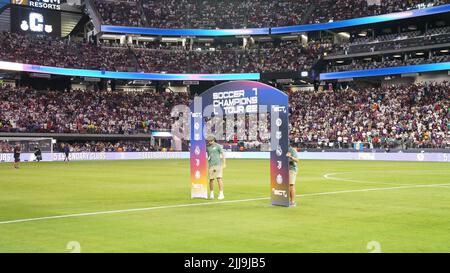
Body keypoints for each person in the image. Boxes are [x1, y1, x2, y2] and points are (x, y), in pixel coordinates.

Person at [206, 135, 226, 200]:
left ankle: (221, 194)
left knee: (219, 178)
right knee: (211, 179)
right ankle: (211, 193)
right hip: (211, 165)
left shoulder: (218, 146)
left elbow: (223, 154)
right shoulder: (207, 147)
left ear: (213, 140)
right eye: (208, 141)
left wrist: (224, 163)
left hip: (218, 164)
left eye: (210, 141)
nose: (209, 142)